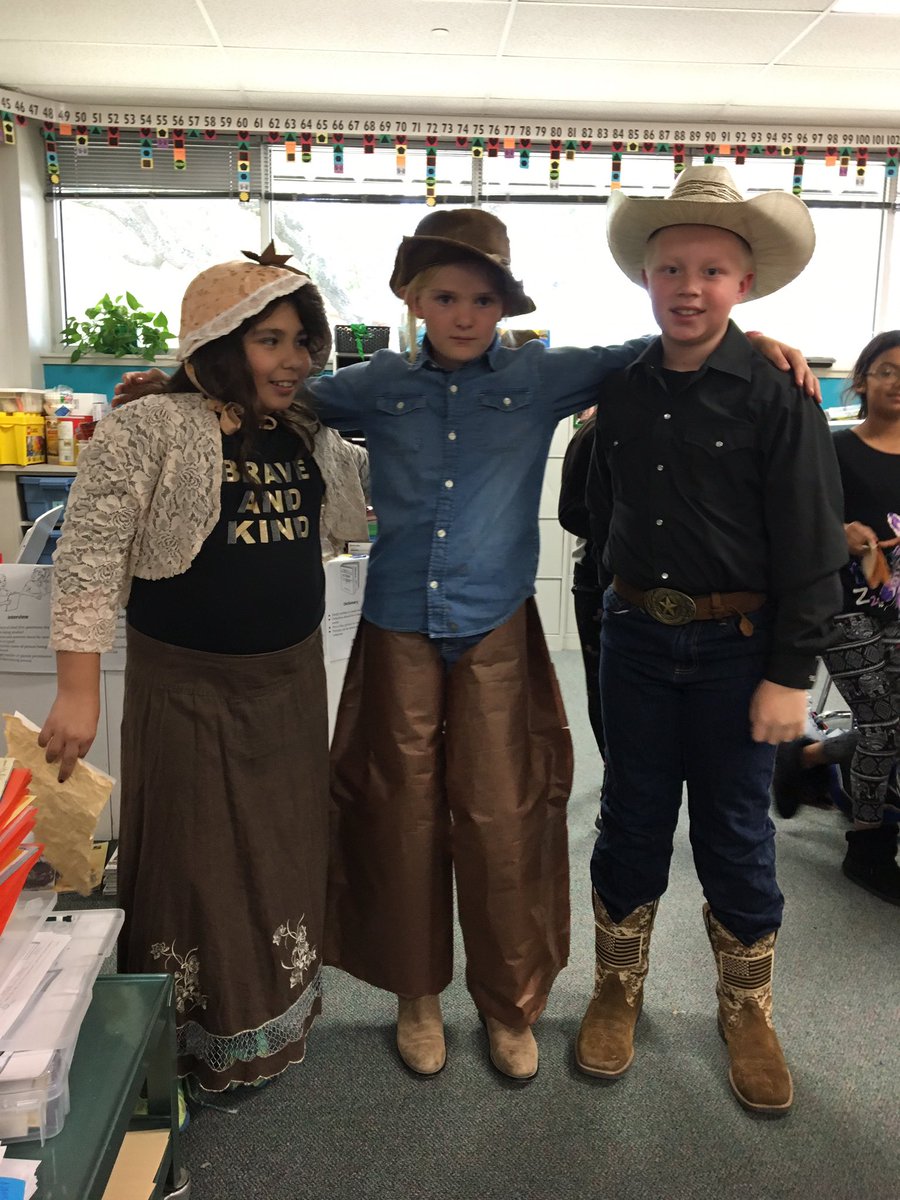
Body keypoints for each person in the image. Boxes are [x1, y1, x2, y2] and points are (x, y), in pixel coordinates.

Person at [115, 212, 814, 1086]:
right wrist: (168, 383)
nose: (463, 314)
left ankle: (507, 1002)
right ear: (410, 298)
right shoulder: (367, 387)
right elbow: (265, 388)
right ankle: (416, 996)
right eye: (444, 296)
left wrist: (762, 340)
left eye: (483, 299)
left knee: (506, 815)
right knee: (394, 814)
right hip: (397, 627)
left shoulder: (542, 375)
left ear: (503, 305)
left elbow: (670, 339)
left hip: (495, 630)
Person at [39, 246, 369, 1095]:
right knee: (195, 863)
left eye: (303, 340)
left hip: (291, 686)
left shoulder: (310, 431)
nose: (293, 358)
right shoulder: (148, 428)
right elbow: (89, 557)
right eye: (269, 340)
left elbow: (358, 506)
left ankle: (276, 1018)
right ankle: (191, 1033)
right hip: (185, 688)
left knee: (281, 852)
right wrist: (76, 689)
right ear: (220, 342)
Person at [577, 165, 848, 1116]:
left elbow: (813, 546)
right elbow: (595, 520)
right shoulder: (617, 382)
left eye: (713, 271)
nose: (689, 287)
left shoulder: (779, 394)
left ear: (746, 286)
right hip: (634, 642)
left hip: (740, 649)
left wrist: (789, 674)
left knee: (735, 830)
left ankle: (747, 1009)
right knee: (632, 815)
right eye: (671, 269)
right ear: (645, 280)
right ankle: (616, 987)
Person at [813, 331, 900, 904]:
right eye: (886, 370)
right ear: (863, 379)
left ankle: (807, 757)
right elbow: (794, 524)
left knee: (888, 728)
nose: (897, 383)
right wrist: (836, 536)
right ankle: (867, 845)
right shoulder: (833, 449)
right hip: (844, 609)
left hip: (897, 605)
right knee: (885, 723)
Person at [558, 407, 608, 824]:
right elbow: (570, 512)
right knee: (604, 688)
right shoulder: (592, 433)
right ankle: (614, 777)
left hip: (649, 582)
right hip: (597, 578)